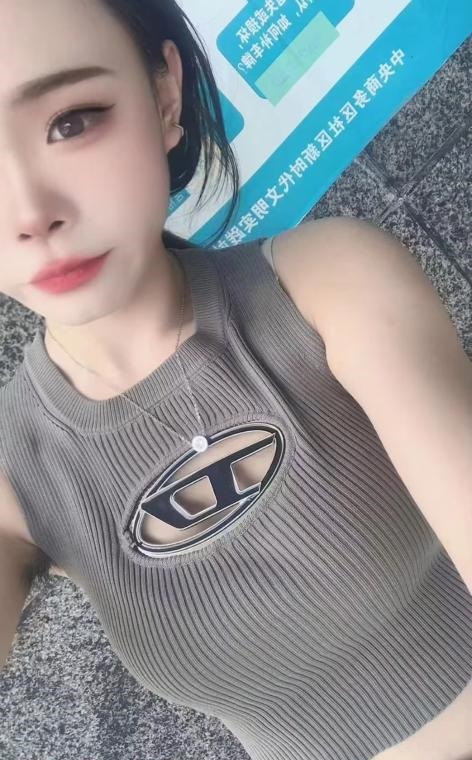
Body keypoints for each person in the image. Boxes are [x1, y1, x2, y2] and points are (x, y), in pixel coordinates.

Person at [1, 2, 471, 760]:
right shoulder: (16, 474)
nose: (30, 213)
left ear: (164, 96)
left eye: (72, 121)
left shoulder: (327, 286)